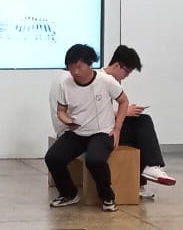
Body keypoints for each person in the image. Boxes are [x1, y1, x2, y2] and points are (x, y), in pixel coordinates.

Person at [45, 44, 129, 212]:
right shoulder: (65, 83)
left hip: (102, 132)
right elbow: (60, 111)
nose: (75, 72)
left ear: (89, 64)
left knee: (95, 160)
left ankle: (107, 197)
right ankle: (69, 194)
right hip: (77, 132)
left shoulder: (105, 81)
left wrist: (117, 128)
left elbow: (123, 101)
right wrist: (67, 121)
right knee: (53, 157)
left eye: (79, 67)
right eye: (71, 67)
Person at [95, 45, 176, 193]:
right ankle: (149, 170)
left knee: (142, 123)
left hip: (108, 125)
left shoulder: (107, 80)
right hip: (100, 131)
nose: (126, 76)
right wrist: (123, 112)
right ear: (117, 65)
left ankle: (142, 177)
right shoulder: (100, 80)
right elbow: (93, 113)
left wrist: (124, 112)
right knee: (142, 126)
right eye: (127, 71)